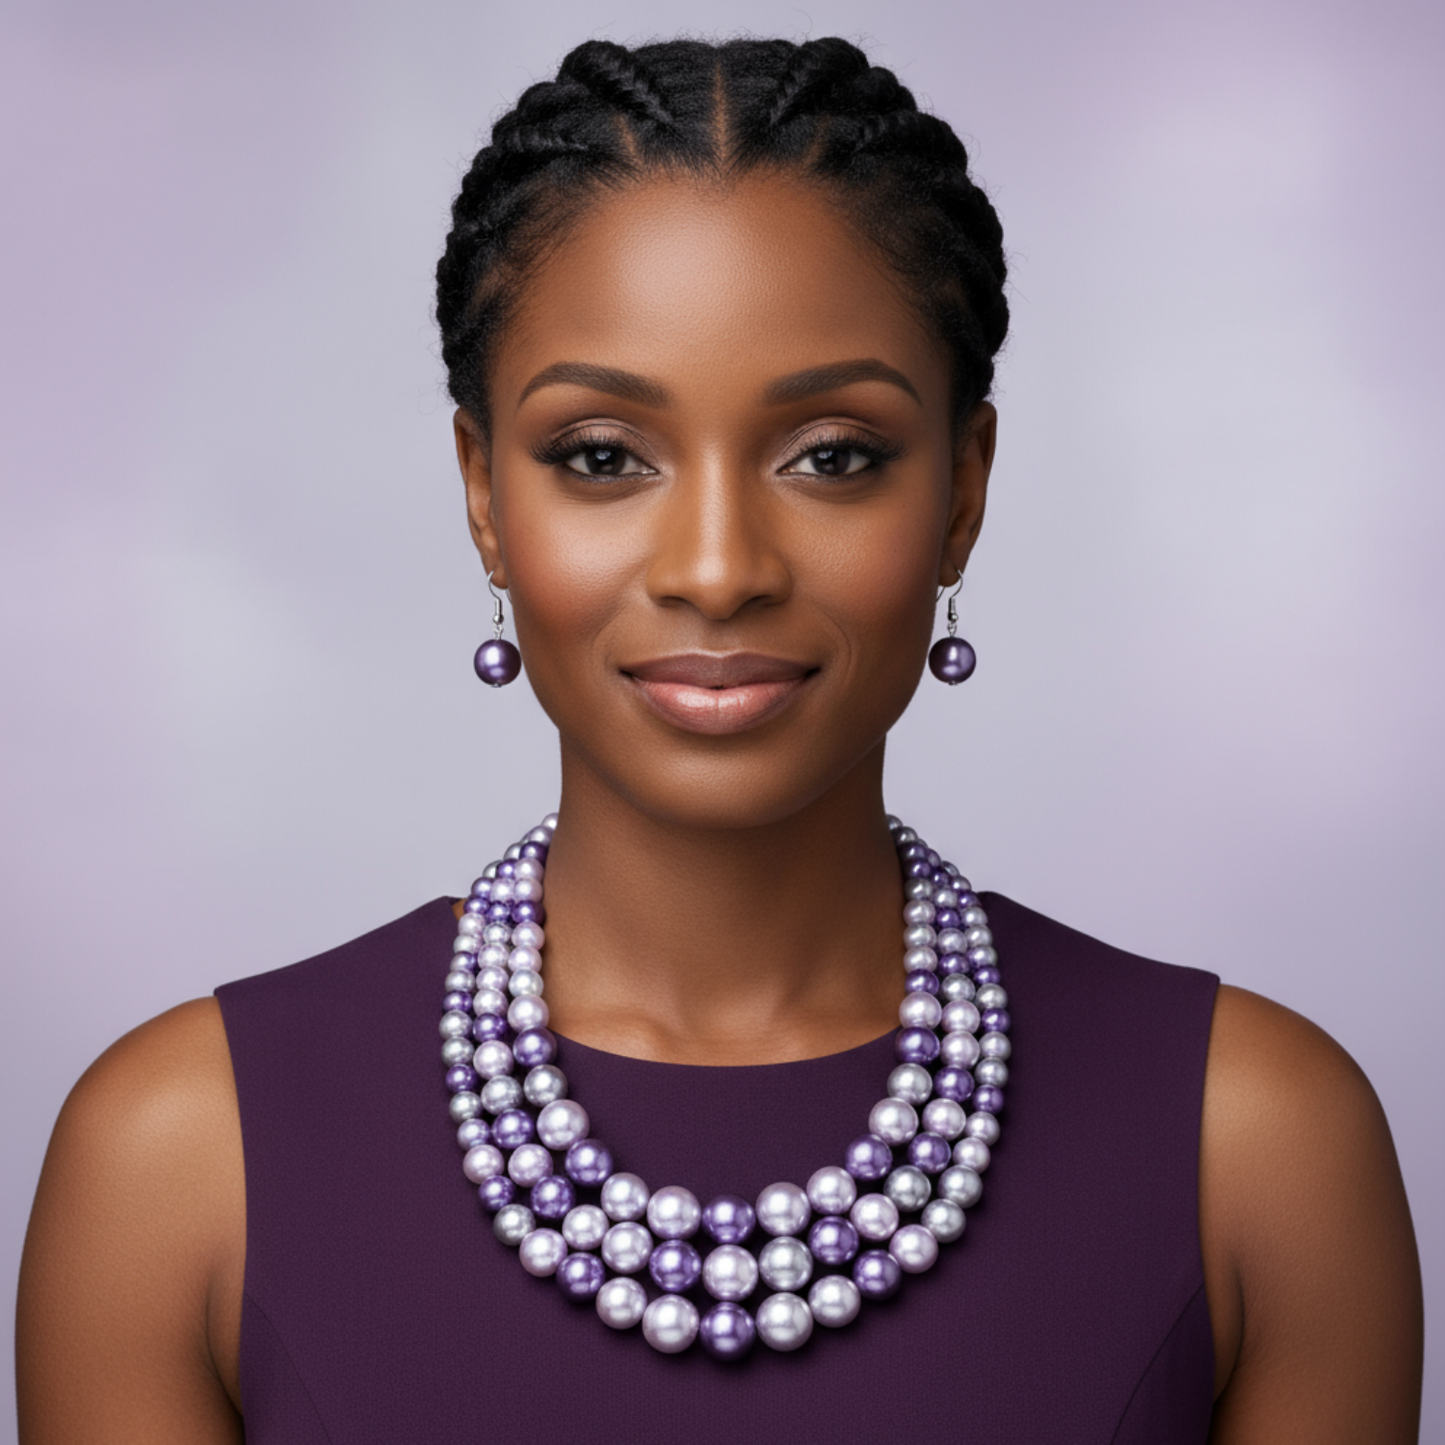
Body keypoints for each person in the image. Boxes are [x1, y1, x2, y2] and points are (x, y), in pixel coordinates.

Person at [15, 35, 1423, 1444]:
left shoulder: (1251, 1149)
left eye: (832, 454)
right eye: (601, 455)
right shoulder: (185, 1161)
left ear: (963, 492)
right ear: (484, 498)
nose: (716, 565)